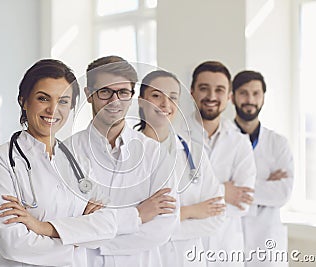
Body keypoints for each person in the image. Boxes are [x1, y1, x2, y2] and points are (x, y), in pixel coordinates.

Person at [0, 59, 126, 267]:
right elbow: (12, 243)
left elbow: (109, 225)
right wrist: (78, 242)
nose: (53, 109)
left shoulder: (78, 160)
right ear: (24, 100)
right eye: (43, 98)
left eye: (63, 101)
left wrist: (43, 228)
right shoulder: (3, 160)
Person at [64, 56, 179, 267]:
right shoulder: (66, 153)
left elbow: (163, 226)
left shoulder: (155, 154)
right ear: (89, 95)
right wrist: (138, 215)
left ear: (132, 96)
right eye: (105, 91)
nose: (114, 101)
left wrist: (97, 237)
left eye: (123, 92)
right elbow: (65, 223)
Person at [135, 70, 225, 267]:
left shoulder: (194, 152)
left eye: (172, 97)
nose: (165, 104)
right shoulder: (127, 154)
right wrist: (190, 211)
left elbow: (217, 216)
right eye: (156, 96)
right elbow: (128, 222)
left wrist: (162, 224)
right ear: (141, 101)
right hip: (145, 259)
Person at [187, 61, 257, 266]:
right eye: (204, 88)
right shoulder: (173, 137)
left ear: (229, 96)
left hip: (226, 252)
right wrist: (223, 191)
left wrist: (195, 204)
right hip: (184, 250)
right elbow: (173, 201)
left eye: (219, 90)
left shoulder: (239, 141)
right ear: (192, 92)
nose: (211, 96)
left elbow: (243, 203)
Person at [232, 70, 294, 266]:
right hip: (230, 236)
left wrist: (234, 189)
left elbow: (282, 194)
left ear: (263, 98)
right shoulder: (220, 139)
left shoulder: (278, 143)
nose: (250, 99)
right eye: (243, 93)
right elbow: (212, 189)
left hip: (267, 242)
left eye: (256, 93)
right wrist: (264, 185)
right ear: (232, 97)